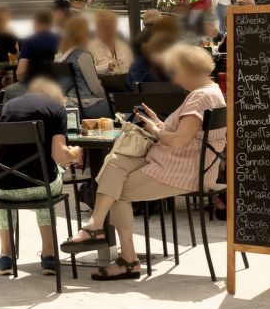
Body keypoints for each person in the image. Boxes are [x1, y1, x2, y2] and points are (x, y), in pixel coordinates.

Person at [65, 44, 225, 280]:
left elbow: (178, 141)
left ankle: (127, 259)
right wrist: (159, 124)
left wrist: (155, 130)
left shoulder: (199, 98)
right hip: (182, 164)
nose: (174, 78)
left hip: (180, 171)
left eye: (175, 71)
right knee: (116, 161)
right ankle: (95, 226)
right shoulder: (212, 91)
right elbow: (188, 135)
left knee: (115, 191)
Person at [0, 76, 82, 274]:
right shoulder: (56, 109)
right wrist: (74, 153)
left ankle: (6, 256)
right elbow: (60, 155)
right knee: (47, 181)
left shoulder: (9, 106)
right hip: (40, 187)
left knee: (3, 185)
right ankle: (49, 255)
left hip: (3, 188)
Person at [57, 12, 111, 119]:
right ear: (82, 34)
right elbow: (96, 89)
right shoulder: (83, 56)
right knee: (120, 105)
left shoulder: (62, 56)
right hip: (88, 105)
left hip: (70, 102)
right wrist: (107, 95)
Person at [15, 10, 61, 85]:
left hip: (33, 85)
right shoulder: (61, 40)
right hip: (56, 86)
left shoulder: (29, 41)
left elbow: (21, 72)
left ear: (36, 23)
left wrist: (20, 79)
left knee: (7, 90)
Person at [89, 9, 135, 76]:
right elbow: (89, 70)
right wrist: (106, 67)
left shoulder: (124, 46)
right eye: (106, 27)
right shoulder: (90, 47)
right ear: (98, 28)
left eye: (112, 26)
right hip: (102, 81)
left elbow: (132, 67)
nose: (110, 30)